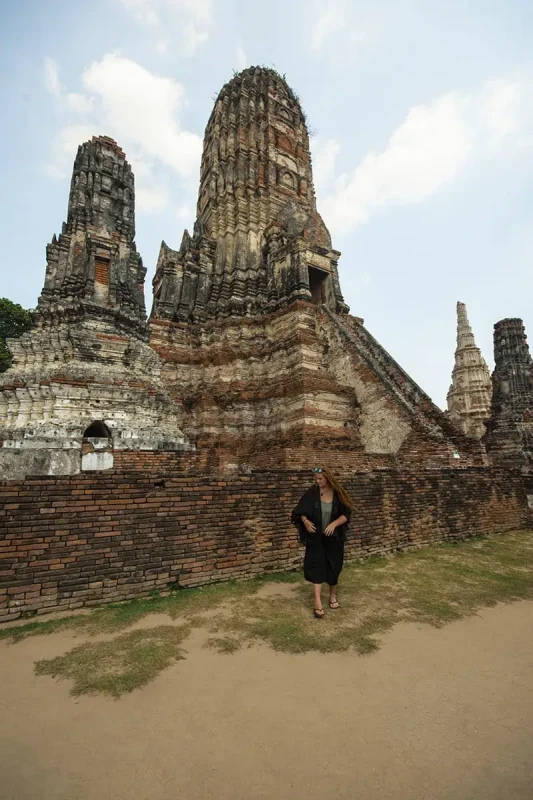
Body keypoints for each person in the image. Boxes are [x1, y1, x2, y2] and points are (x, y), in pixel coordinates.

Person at [291, 468, 354, 618]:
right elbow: (298, 511)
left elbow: (347, 514)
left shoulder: (338, 493)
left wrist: (334, 524)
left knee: (333, 565)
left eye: (320, 479)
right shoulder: (312, 492)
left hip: (334, 538)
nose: (318, 481)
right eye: (316, 479)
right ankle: (317, 602)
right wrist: (305, 521)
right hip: (316, 538)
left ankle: (332, 596)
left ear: (328, 478)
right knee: (316, 565)